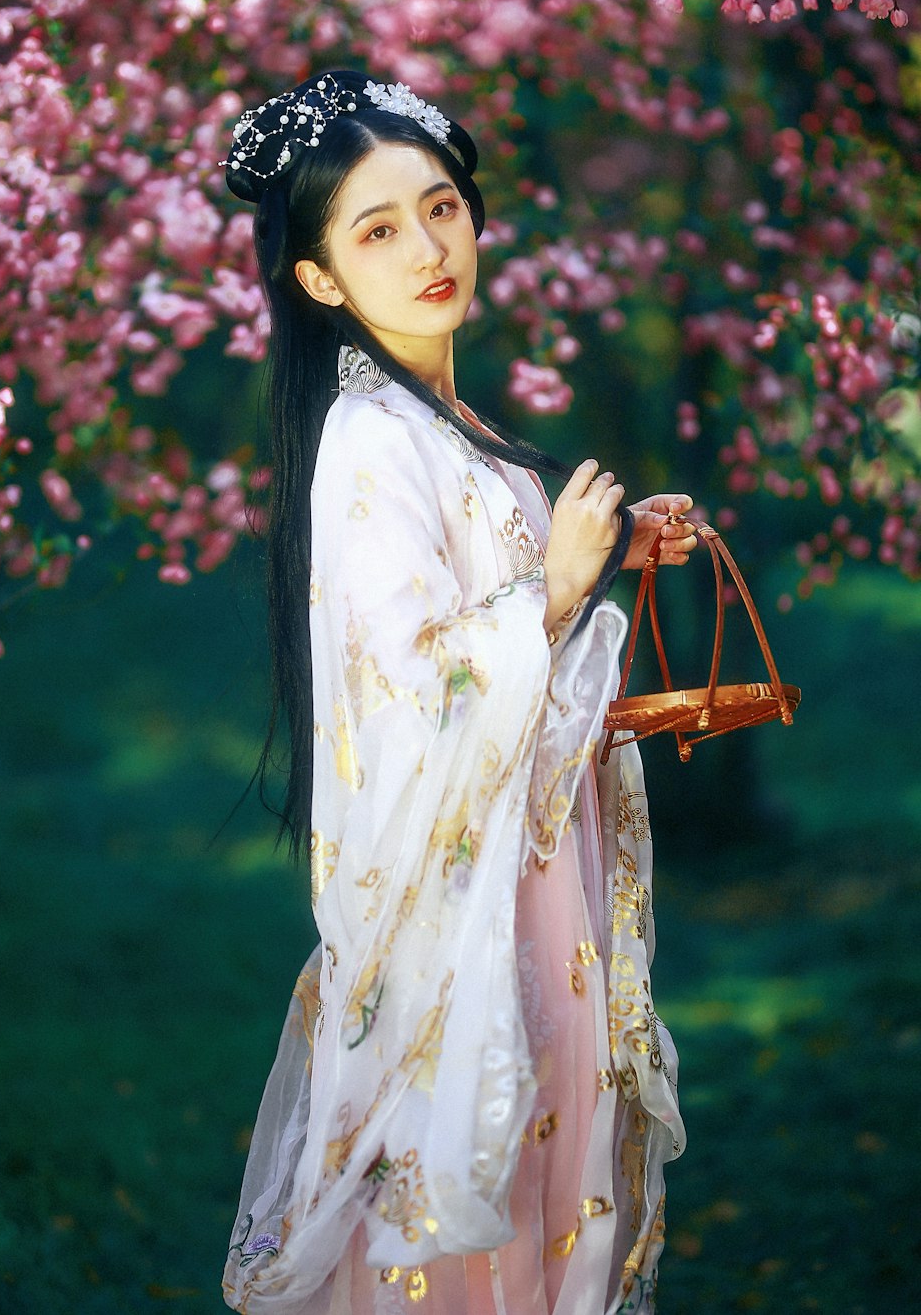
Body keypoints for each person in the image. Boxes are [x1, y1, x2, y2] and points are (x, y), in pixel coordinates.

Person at [220, 70, 696, 1315]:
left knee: (549, 1153)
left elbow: (477, 611)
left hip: (530, 865)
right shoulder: (372, 442)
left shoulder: (442, 419)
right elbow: (406, 683)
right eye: (375, 231)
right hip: (476, 892)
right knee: (484, 1184)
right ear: (319, 279)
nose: (428, 248)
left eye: (441, 209)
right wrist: (552, 590)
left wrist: (606, 556)